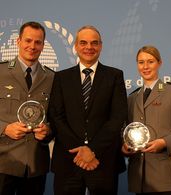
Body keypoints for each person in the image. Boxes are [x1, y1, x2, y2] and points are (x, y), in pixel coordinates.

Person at [48, 25, 128, 195]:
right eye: (83, 43)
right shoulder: (61, 77)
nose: (89, 47)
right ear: (76, 46)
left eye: (94, 43)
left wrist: (92, 150)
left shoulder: (115, 76)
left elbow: (117, 117)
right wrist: (81, 149)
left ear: (101, 46)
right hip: (69, 161)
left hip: (102, 161)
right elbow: (56, 116)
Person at [122, 45, 171, 195]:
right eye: (141, 62)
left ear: (159, 63)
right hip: (140, 178)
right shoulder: (131, 98)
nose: (145, 67)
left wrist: (164, 142)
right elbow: (127, 131)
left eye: (150, 61)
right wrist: (125, 147)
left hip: (167, 177)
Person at [0, 21, 54, 195]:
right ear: (18, 42)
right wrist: (4, 128)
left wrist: (48, 131)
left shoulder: (53, 78)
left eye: (38, 42)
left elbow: (57, 119)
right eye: (28, 40)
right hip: (3, 162)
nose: (32, 46)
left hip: (36, 165)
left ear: (43, 45)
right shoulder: (1, 73)